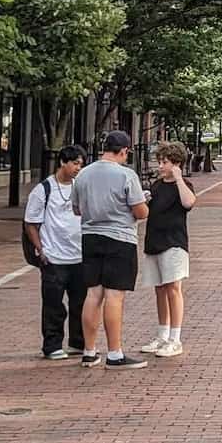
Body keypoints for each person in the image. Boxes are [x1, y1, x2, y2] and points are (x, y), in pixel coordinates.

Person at [71, 130, 149, 369]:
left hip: (90, 237)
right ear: (124, 151)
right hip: (120, 239)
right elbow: (140, 212)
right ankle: (114, 353)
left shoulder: (83, 174)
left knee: (93, 294)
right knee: (114, 295)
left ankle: (89, 351)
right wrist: (145, 202)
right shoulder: (126, 175)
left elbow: (76, 209)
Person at [24, 145, 87, 360]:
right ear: (62, 162)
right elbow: (31, 223)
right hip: (53, 256)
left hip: (79, 255)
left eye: (81, 164)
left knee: (80, 302)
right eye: (75, 163)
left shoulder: (81, 186)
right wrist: (40, 249)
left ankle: (78, 342)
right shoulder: (43, 189)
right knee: (53, 304)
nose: (78, 168)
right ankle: (52, 345)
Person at [139, 141, 196, 358]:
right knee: (160, 289)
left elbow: (189, 203)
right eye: (160, 162)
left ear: (176, 163)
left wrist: (179, 178)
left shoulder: (184, 185)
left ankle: (175, 338)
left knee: (173, 288)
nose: (161, 166)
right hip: (155, 241)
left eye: (165, 162)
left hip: (174, 243)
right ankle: (162, 334)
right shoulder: (157, 185)